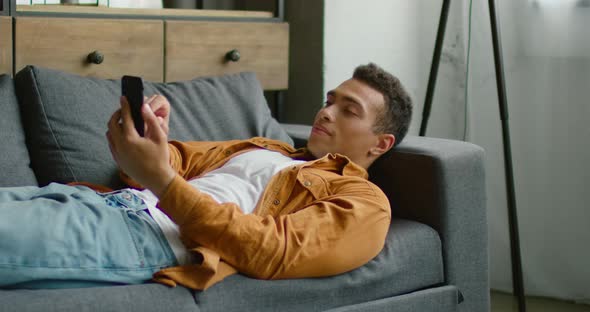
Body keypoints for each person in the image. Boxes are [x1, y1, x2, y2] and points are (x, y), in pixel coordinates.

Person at [0, 63, 412, 290]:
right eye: (329, 101)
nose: (325, 112)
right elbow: (170, 162)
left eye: (348, 110)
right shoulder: (262, 148)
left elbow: (271, 251)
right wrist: (151, 136)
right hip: (94, 200)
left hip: (149, 235)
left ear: (380, 144)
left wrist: (162, 181)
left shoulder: (364, 203)